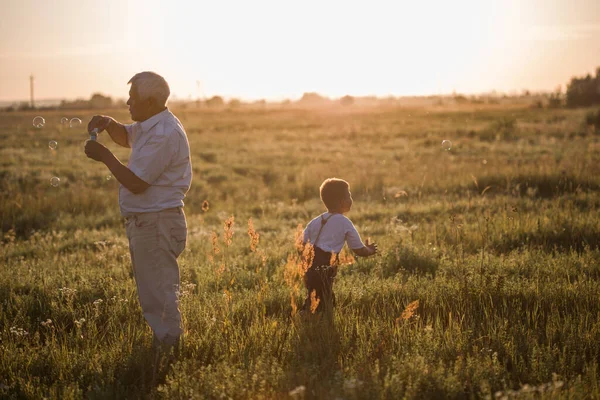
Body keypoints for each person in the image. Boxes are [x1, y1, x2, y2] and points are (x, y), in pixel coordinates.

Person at [84, 71, 192, 350]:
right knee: (154, 289)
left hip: (157, 223)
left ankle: (168, 349)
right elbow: (127, 136)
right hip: (152, 222)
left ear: (152, 101)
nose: (127, 104)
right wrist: (109, 124)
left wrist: (104, 156)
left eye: (133, 99)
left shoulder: (165, 133)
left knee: (159, 293)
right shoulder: (152, 123)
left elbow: (137, 184)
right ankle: (165, 344)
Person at [301, 178, 378, 313]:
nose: (351, 198)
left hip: (310, 264)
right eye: (349, 195)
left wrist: (305, 260)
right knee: (324, 298)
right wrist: (370, 250)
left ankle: (308, 316)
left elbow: (301, 242)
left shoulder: (316, 220)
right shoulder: (344, 222)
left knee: (315, 293)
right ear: (341, 202)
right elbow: (358, 249)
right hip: (326, 263)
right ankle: (314, 320)